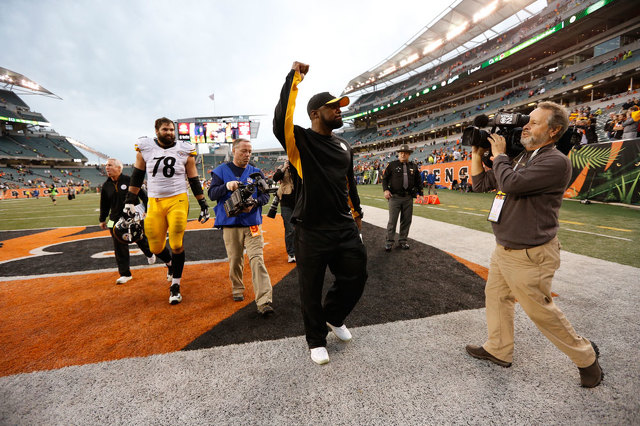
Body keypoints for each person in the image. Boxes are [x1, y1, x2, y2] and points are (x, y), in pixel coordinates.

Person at [467, 101, 603, 388]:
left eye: (535, 122)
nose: (526, 125)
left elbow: (512, 184)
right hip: (504, 247)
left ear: (553, 131)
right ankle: (498, 349)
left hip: (529, 253)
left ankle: (586, 357)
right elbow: (479, 184)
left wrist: (500, 155)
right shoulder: (522, 157)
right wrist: (477, 152)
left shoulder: (554, 161)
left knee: (541, 311)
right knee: (497, 297)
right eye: (527, 121)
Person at [273, 61, 367, 365]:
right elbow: (281, 120)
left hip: (344, 227)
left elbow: (348, 182)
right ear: (315, 113)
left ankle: (333, 317)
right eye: (333, 107)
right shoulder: (300, 141)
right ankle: (315, 340)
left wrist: (358, 213)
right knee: (310, 288)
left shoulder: (344, 145)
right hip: (311, 229)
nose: (339, 110)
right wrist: (294, 78)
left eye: (340, 107)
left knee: (357, 276)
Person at [123, 117, 210, 305]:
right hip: (154, 201)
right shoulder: (145, 147)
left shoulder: (184, 149)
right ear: (156, 131)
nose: (170, 132)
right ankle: (170, 264)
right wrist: (130, 201)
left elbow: (193, 178)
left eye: (172, 129)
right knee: (154, 247)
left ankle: (176, 286)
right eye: (165, 129)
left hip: (178, 198)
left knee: (177, 241)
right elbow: (137, 176)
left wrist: (202, 203)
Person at [208, 138, 274, 316]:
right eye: (243, 151)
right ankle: (237, 288)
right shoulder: (221, 171)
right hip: (230, 224)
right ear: (234, 151)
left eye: (250, 152)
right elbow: (212, 194)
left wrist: (255, 203)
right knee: (235, 260)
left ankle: (264, 300)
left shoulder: (256, 172)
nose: (247, 155)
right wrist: (226, 186)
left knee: (257, 259)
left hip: (251, 222)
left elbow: (265, 196)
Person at [99, 158, 172, 284]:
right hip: (113, 219)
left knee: (141, 239)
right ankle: (125, 274)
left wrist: (147, 211)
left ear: (119, 168)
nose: (107, 168)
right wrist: (102, 219)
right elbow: (104, 204)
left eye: (110, 165)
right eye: (106, 166)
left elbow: (144, 196)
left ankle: (149, 254)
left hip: (133, 217)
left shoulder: (129, 181)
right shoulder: (106, 185)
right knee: (118, 245)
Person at [382, 144, 423, 251]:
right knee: (392, 220)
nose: (403, 154)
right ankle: (389, 242)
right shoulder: (391, 165)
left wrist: (421, 194)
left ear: (409, 154)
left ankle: (403, 241)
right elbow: (385, 178)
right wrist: (385, 190)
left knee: (406, 220)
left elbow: (419, 181)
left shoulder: (413, 166)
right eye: (401, 153)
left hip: (408, 198)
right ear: (398, 154)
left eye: (405, 153)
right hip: (394, 197)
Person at [272, 160, 296, 263]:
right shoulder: (282, 168)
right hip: (286, 202)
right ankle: (291, 253)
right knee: (289, 229)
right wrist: (284, 168)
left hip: (299, 201)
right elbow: (275, 178)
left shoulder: (299, 168)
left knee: (301, 228)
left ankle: (301, 250)